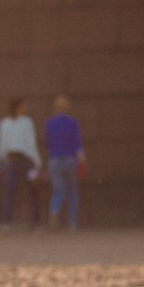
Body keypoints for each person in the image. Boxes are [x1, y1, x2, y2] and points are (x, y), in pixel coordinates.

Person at [0, 97, 44, 233]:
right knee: (33, 191)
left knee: (9, 192)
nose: (26, 108)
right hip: (25, 160)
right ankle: (36, 222)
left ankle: (6, 223)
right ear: (18, 107)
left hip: (10, 159)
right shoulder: (27, 122)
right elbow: (31, 143)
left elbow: (2, 144)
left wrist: (2, 161)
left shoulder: (4, 122)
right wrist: (38, 162)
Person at [44, 94, 87, 231]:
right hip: (70, 160)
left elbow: (47, 143)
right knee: (73, 191)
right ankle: (72, 224)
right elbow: (77, 145)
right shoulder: (73, 123)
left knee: (58, 189)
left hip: (54, 160)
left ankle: (54, 210)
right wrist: (83, 160)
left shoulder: (49, 123)